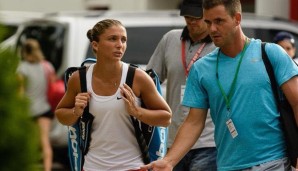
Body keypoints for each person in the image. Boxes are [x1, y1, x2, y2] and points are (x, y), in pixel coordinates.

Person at [141, 0, 298, 171]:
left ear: (237, 18)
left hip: (273, 162)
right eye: (208, 22)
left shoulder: (270, 53)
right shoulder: (201, 68)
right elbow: (193, 122)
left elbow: (296, 103)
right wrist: (169, 161)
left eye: (219, 21)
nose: (212, 29)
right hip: (227, 165)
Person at [55, 19, 172, 171]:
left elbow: (166, 118)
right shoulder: (79, 79)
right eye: (112, 39)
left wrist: (137, 112)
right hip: (92, 167)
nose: (120, 45)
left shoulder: (137, 77)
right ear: (95, 45)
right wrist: (76, 112)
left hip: (132, 167)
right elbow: (61, 115)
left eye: (123, 40)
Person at [146, 0, 217, 170]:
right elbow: (150, 80)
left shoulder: (218, 44)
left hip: (208, 140)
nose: (191, 21)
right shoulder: (170, 38)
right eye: (187, 16)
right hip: (174, 138)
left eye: (197, 17)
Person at [18, 38, 54, 171]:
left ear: (24, 51)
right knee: (45, 142)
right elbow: (53, 85)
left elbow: (20, 93)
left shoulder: (22, 68)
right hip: (45, 108)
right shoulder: (47, 66)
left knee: (30, 145)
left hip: (29, 111)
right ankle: (47, 168)